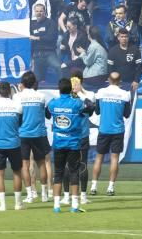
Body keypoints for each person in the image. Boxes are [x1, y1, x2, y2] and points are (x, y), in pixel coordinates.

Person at [47, 77, 92, 213]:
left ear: (59, 89)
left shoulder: (53, 103)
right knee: (74, 173)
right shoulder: (77, 103)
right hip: (73, 143)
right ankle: (75, 206)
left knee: (58, 173)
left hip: (58, 143)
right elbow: (90, 109)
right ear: (71, 89)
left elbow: (47, 113)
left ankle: (56, 206)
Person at [91, 71, 132, 197]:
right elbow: (127, 114)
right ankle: (110, 187)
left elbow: (97, 111)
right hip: (118, 130)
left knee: (99, 158)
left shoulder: (100, 92)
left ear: (108, 80)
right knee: (114, 159)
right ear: (120, 81)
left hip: (104, 129)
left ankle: (93, 186)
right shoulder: (125, 94)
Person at [0, 81, 25, 211]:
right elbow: (19, 123)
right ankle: (18, 204)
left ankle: (2, 205)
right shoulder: (17, 106)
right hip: (14, 143)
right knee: (17, 173)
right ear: (10, 91)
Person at [16, 71, 51, 204]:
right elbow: (47, 114)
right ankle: (44, 195)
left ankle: (30, 195)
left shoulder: (17, 97)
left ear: (23, 83)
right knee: (41, 163)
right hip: (39, 134)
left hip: (24, 134)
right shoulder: (41, 96)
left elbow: (17, 117)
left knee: (25, 165)